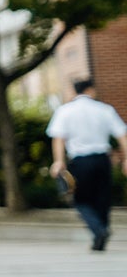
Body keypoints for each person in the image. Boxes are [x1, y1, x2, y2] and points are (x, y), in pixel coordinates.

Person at [46, 78, 127, 252]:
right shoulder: (105, 109)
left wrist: (59, 161)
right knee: (102, 197)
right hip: (102, 160)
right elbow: (122, 135)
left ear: (76, 91)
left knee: (81, 200)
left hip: (80, 161)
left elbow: (58, 138)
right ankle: (102, 230)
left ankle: (99, 230)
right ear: (90, 90)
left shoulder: (64, 111)